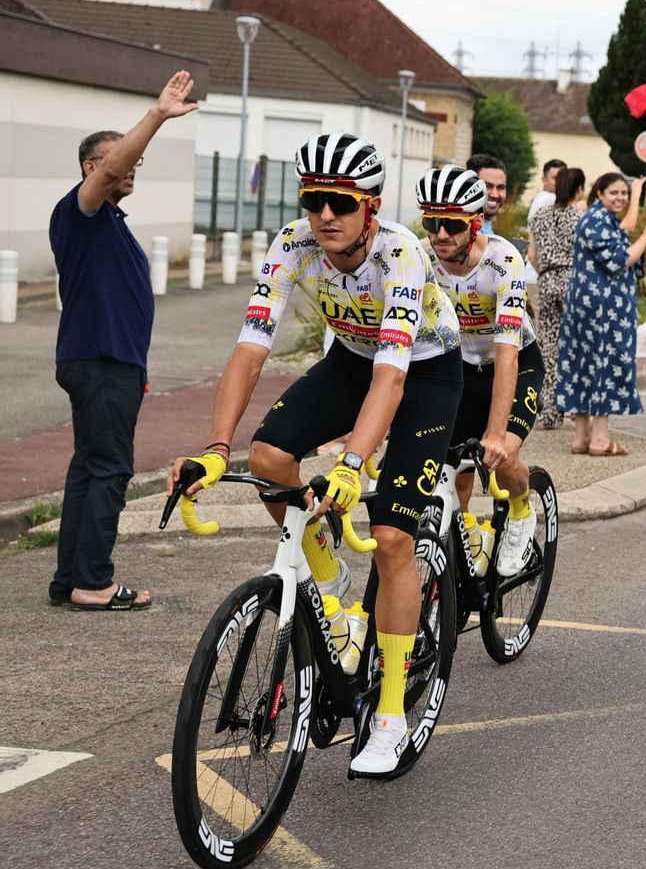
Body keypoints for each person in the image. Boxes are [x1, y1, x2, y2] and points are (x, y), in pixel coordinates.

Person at [167, 132, 463, 778]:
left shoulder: (403, 255)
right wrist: (218, 450)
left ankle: (387, 716)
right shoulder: (292, 245)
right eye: (312, 199)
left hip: (425, 375)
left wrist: (355, 465)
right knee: (269, 457)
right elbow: (251, 348)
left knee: (390, 537)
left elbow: (394, 377)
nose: (324, 214)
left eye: (339, 201)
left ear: (371, 208)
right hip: (352, 362)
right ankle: (328, 583)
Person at [50, 71, 198, 612]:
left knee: (89, 469)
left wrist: (134, 367)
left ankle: (71, 579)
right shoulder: (81, 210)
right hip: (100, 362)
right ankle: (94, 582)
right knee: (109, 470)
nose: (132, 163)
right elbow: (114, 163)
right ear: (92, 169)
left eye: (137, 157)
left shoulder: (109, 220)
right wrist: (157, 115)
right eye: (121, 158)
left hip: (111, 364)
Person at [416, 165, 542, 576]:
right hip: (459, 370)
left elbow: (507, 351)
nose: (440, 235)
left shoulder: (503, 260)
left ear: (473, 223)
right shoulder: (420, 259)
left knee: (502, 454)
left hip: (514, 363)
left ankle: (522, 512)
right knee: (449, 469)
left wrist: (494, 431)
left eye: (451, 224)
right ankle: (464, 537)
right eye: (431, 222)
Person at [557, 174, 646, 456]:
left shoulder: (601, 217)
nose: (620, 197)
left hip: (587, 306)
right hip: (602, 309)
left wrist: (637, 191)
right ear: (599, 194)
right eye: (613, 193)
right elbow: (620, 260)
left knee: (582, 363)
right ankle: (601, 440)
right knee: (602, 364)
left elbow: (624, 227)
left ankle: (582, 437)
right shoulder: (596, 219)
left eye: (623, 193)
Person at [528, 167, 586, 429]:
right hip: (573, 283)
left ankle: (549, 412)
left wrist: (546, 274)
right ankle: (575, 409)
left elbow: (532, 254)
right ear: (580, 190)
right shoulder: (580, 217)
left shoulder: (539, 216)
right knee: (575, 347)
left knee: (549, 348)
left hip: (547, 280)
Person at [464, 153, 508, 235]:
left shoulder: (485, 227)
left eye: (500, 187)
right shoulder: (465, 230)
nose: (494, 195)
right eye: (487, 186)